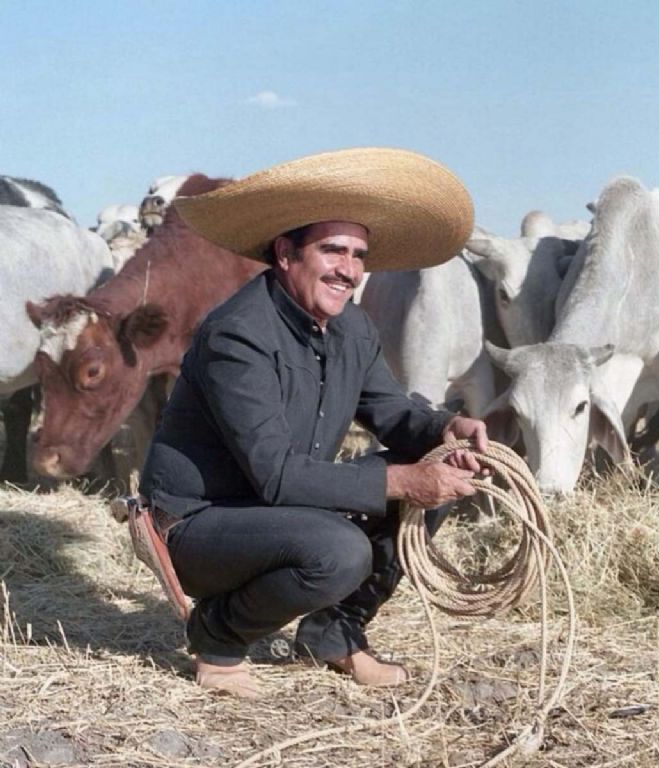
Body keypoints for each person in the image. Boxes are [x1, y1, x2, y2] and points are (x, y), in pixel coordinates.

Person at [137, 147, 487, 697]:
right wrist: (404, 480)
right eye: (332, 250)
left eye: (358, 255)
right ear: (285, 253)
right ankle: (218, 637)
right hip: (201, 523)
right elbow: (276, 474)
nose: (348, 269)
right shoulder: (239, 335)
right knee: (341, 549)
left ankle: (335, 634)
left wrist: (445, 432)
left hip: (278, 509)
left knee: (430, 483)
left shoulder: (353, 331)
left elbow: (392, 412)